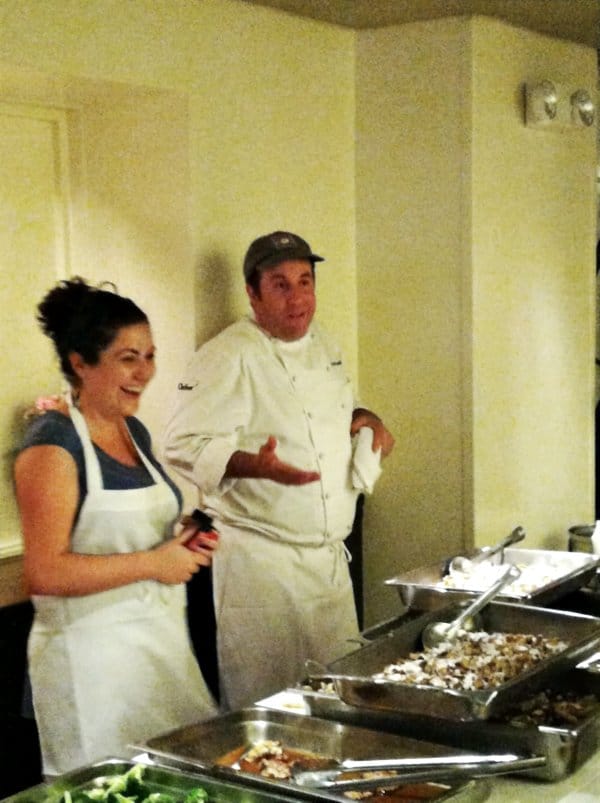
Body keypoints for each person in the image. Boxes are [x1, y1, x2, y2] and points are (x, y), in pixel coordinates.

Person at [164, 230, 394, 710]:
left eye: (305, 282)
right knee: (271, 713)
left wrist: (367, 418)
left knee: (340, 704)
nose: (298, 298)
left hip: (329, 566)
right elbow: (181, 445)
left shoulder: (325, 345)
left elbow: (335, 411)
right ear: (253, 293)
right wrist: (256, 465)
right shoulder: (227, 355)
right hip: (263, 571)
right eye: (281, 285)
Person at [13, 277, 218, 777]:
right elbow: (43, 571)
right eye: (128, 358)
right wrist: (155, 562)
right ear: (81, 363)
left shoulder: (135, 431)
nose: (144, 373)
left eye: (149, 356)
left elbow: (131, 536)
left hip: (158, 652)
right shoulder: (51, 445)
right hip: (91, 669)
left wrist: (182, 536)